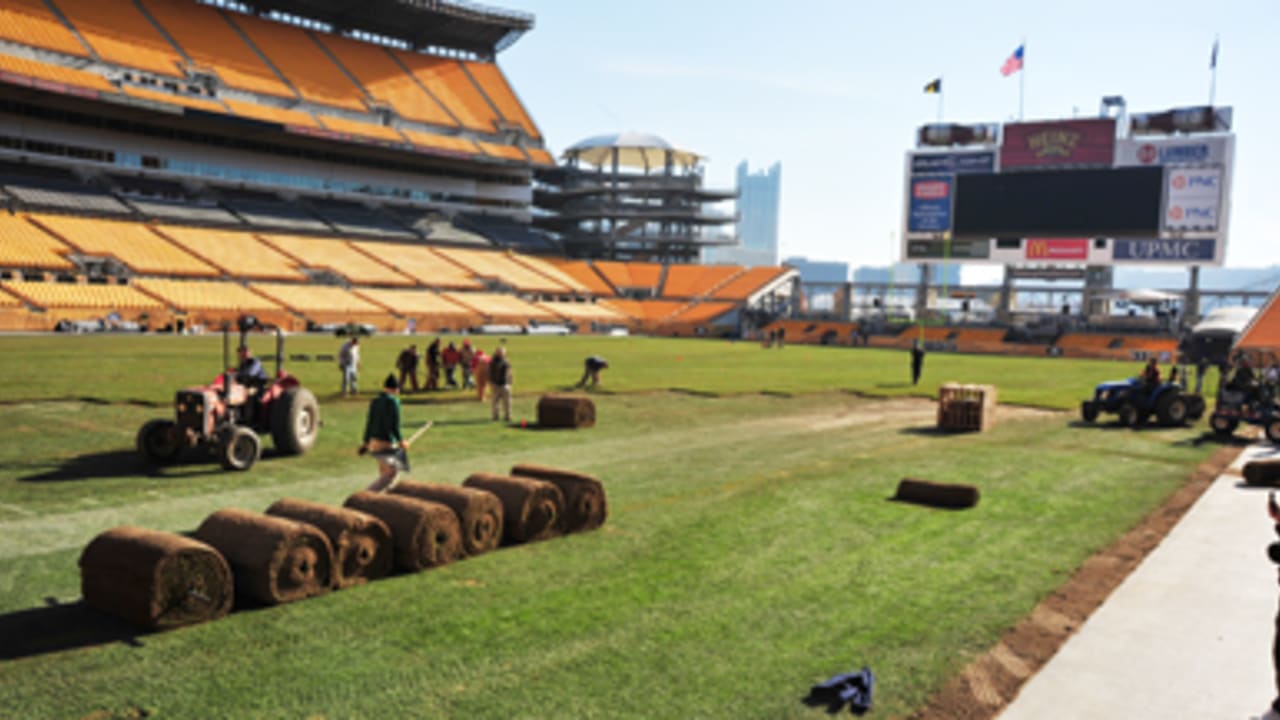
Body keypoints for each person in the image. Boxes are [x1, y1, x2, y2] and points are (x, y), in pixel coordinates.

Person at [360, 374, 406, 493]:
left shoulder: (375, 401)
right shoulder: (393, 402)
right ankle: (366, 496)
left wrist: (365, 443)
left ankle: (386, 502)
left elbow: (369, 422)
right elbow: (393, 424)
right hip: (387, 442)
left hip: (374, 442)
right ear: (395, 389)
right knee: (392, 473)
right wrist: (401, 441)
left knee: (384, 474)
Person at [489, 346, 512, 422]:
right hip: (496, 385)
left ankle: (507, 416)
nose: (501, 353)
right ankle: (495, 417)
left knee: (507, 402)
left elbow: (510, 372)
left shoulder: (507, 361)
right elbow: (490, 373)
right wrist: (492, 383)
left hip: (505, 385)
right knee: (495, 403)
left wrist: (510, 383)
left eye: (503, 352)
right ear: (497, 352)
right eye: (500, 352)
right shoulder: (493, 362)